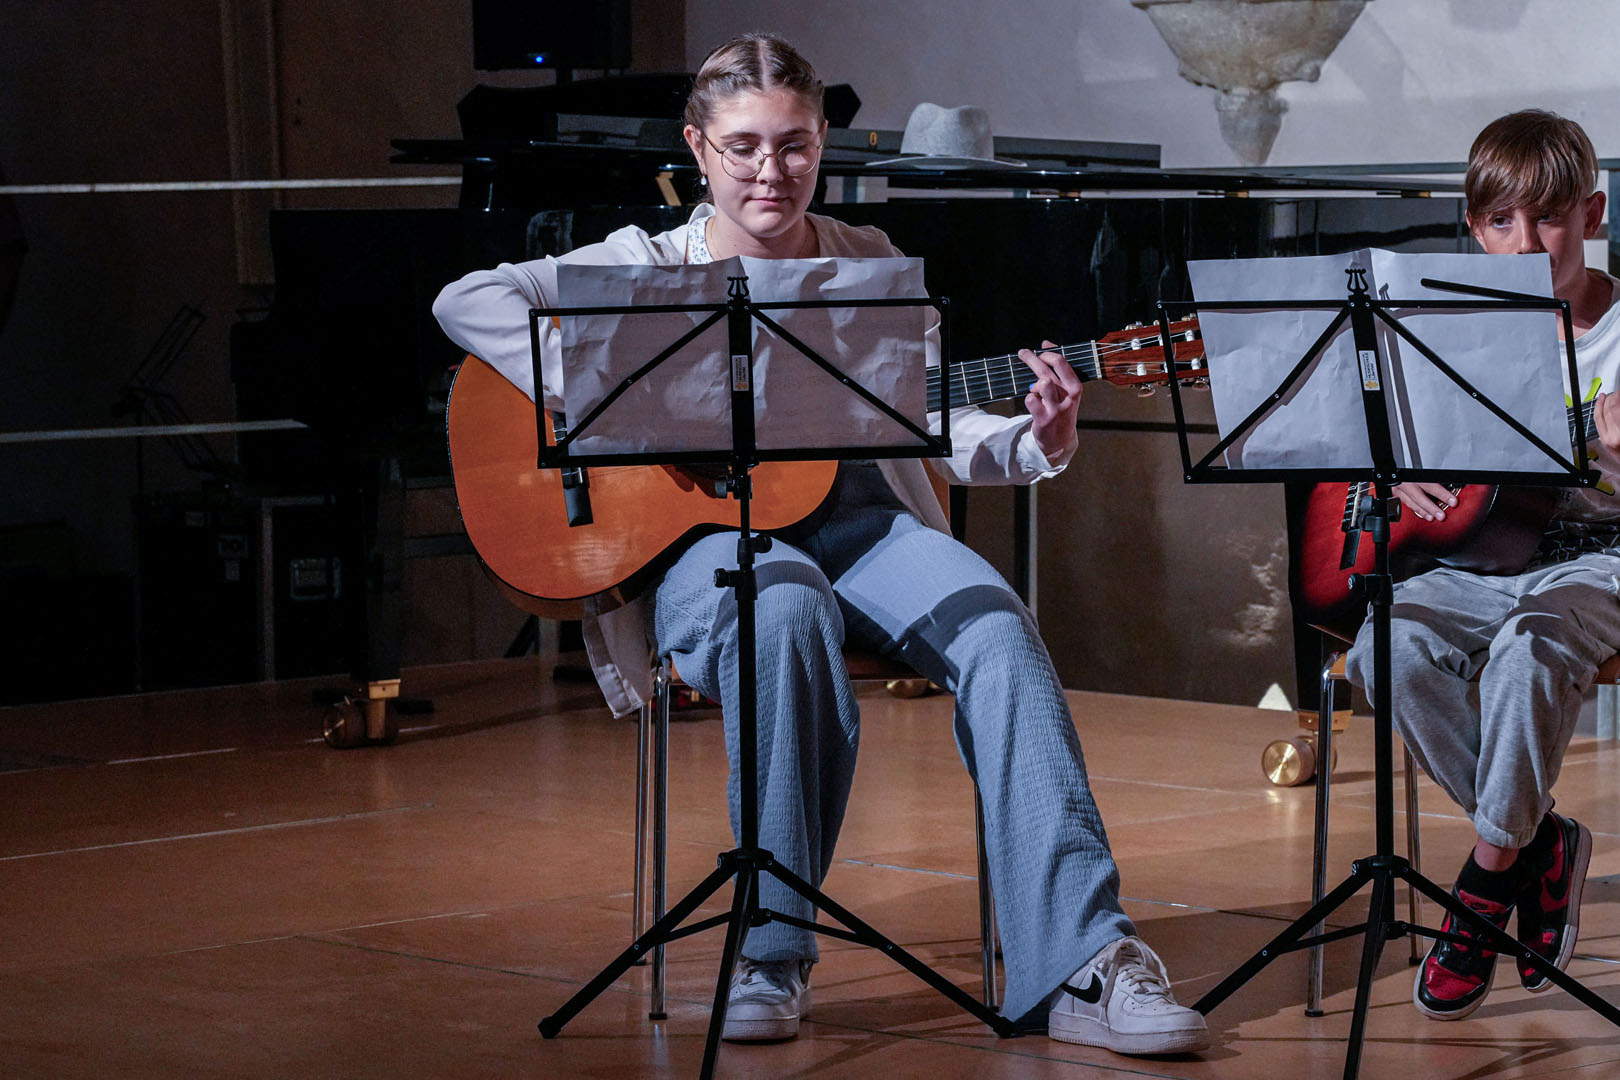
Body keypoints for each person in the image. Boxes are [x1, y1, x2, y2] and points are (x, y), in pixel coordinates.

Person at [434, 33, 1209, 1056]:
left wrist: (1035, 439)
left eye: (795, 145)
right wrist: (623, 401)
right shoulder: (645, 267)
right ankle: (770, 952)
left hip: (862, 527)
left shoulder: (866, 260)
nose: (772, 170)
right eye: (744, 146)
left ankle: (1082, 962)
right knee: (783, 604)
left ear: (822, 144)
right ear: (698, 149)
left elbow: (923, 418)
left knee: (999, 631)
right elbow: (464, 300)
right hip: (704, 544)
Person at [1345, 108, 1614, 1021]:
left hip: (1600, 558)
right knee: (1385, 650)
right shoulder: (1451, 326)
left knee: (1527, 656)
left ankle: (1486, 883)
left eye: (1550, 218)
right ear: (1474, 228)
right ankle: (1541, 846)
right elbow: (1385, 441)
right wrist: (1399, 474)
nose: (1526, 245)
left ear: (1594, 215)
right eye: (1502, 222)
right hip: (1479, 554)